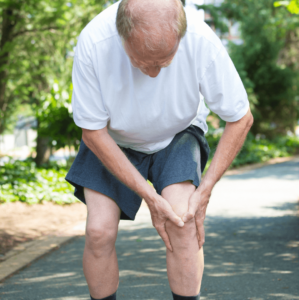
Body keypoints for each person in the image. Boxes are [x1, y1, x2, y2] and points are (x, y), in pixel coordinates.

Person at [66, 0, 253, 299]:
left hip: (177, 133)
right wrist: (149, 196)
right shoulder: (94, 41)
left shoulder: (201, 40)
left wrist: (205, 189)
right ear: (122, 35)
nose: (153, 74)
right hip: (112, 139)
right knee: (99, 232)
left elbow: (241, 118)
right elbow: (93, 132)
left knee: (182, 223)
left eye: (164, 62)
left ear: (180, 35)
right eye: (142, 62)